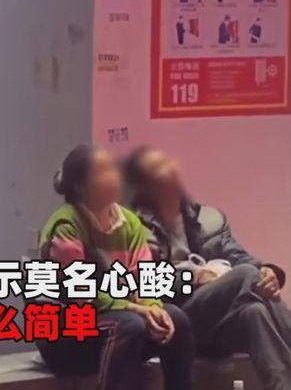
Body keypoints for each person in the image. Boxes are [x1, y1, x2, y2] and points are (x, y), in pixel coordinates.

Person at [123, 146, 291, 390]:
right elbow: (142, 281)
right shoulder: (132, 225)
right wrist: (193, 276)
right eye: (157, 168)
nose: (170, 171)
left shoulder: (209, 219)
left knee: (255, 311)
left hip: (219, 322)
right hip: (179, 317)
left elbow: (240, 257)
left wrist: (269, 272)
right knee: (247, 274)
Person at [37, 145, 194, 390]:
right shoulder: (66, 225)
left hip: (119, 322)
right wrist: (137, 309)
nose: (114, 177)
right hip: (66, 332)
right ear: (80, 186)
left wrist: (153, 307)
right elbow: (82, 295)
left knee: (175, 319)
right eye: (102, 172)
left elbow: (145, 279)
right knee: (129, 324)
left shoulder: (129, 222)